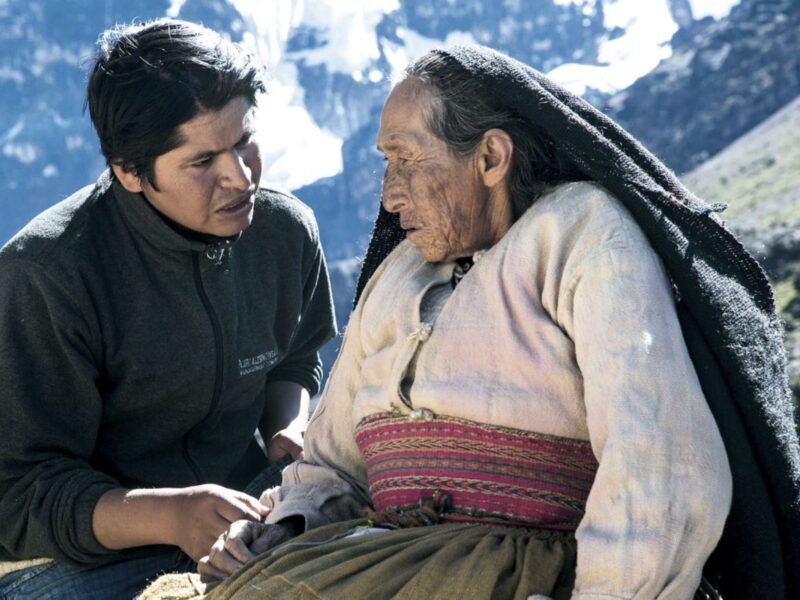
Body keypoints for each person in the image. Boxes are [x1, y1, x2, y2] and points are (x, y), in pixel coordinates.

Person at [142, 47, 800, 600]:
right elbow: (334, 465)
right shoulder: (400, 275)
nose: (388, 195)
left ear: (490, 158)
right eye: (384, 163)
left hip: (511, 576)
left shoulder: (579, 234)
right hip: (377, 561)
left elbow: (657, 463)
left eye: (407, 160)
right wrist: (283, 527)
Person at [0, 18, 336, 599]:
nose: (240, 177)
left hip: (242, 513)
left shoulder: (285, 232)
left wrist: (288, 425)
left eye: (243, 141)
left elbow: (294, 357)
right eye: (203, 161)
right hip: (76, 560)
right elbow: (21, 491)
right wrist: (172, 516)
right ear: (128, 171)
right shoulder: (46, 277)